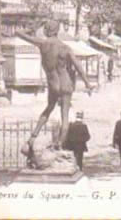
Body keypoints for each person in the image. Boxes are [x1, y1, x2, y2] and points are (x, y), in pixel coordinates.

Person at [16, 20, 93, 152]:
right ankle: (59, 146)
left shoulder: (42, 43)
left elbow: (18, 33)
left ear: (46, 30)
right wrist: (87, 83)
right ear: (58, 31)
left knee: (48, 109)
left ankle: (33, 137)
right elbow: (78, 66)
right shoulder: (65, 48)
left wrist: (33, 26)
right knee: (65, 116)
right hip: (66, 83)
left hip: (53, 84)